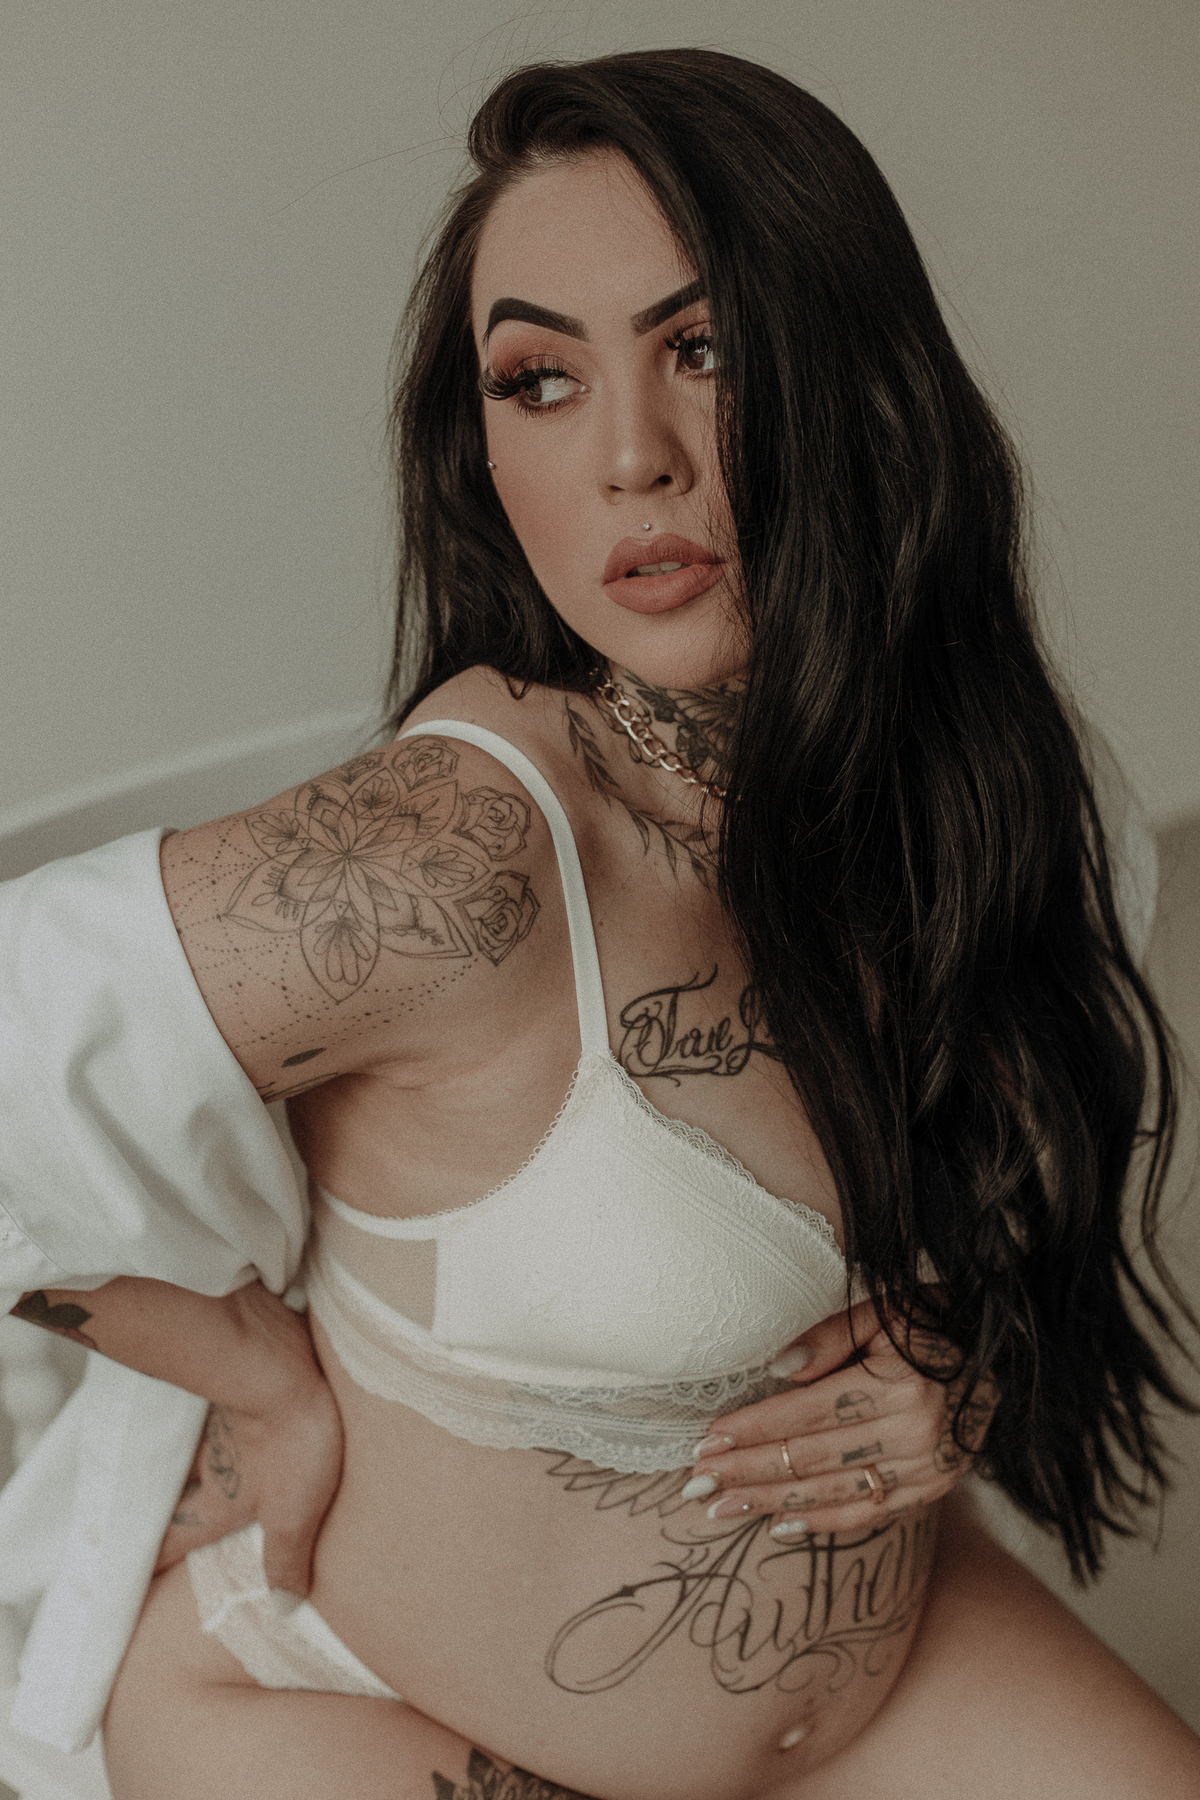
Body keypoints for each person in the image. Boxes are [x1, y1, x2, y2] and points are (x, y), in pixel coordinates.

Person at [4, 44, 1198, 1800]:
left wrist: (957, 1364)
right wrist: (248, 1374)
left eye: (703, 350)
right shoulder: (463, 857)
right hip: (355, 1701)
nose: (633, 457)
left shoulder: (1005, 788)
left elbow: (999, 1180)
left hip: (887, 1679)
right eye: (541, 380)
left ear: (863, 380)